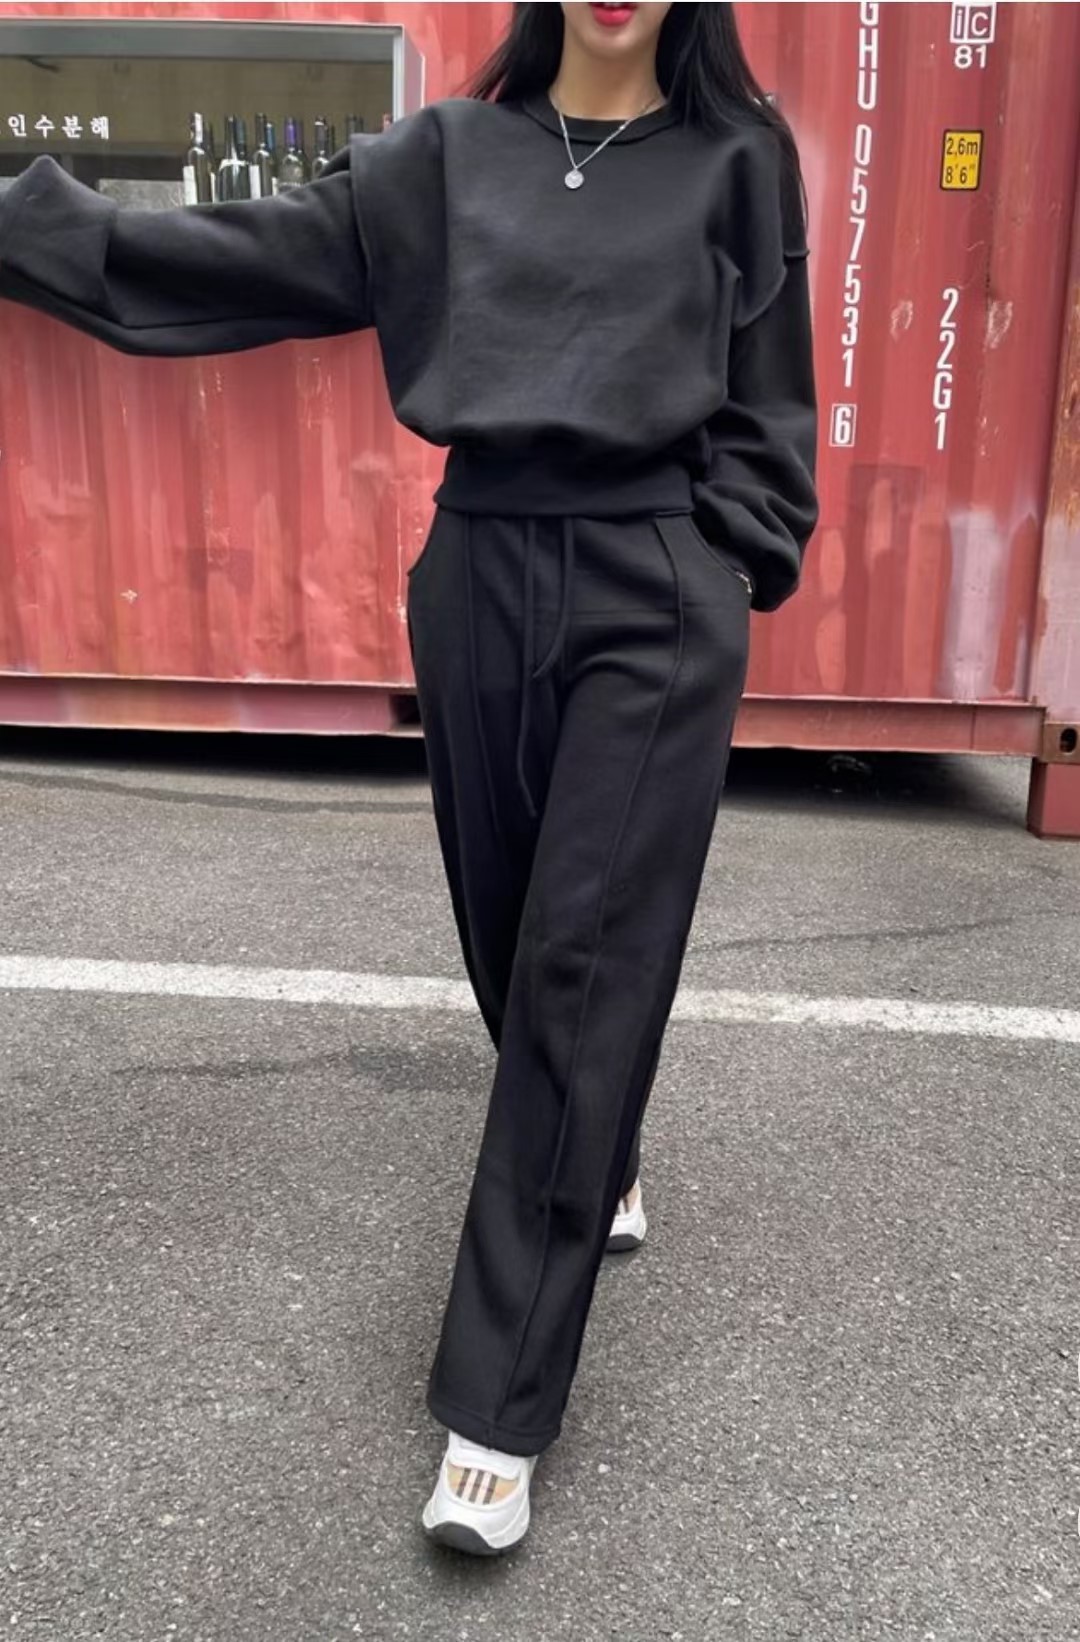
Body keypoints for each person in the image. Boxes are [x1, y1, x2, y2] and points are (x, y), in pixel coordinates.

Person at [0, 0, 818, 1556]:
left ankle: (497, 1407)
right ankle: (601, 1148)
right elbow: (230, 258)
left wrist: (727, 561)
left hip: (655, 588)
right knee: (512, 944)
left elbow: (773, 408)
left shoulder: (738, 160)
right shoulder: (445, 158)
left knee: (582, 962)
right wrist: (29, 225)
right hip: (479, 573)